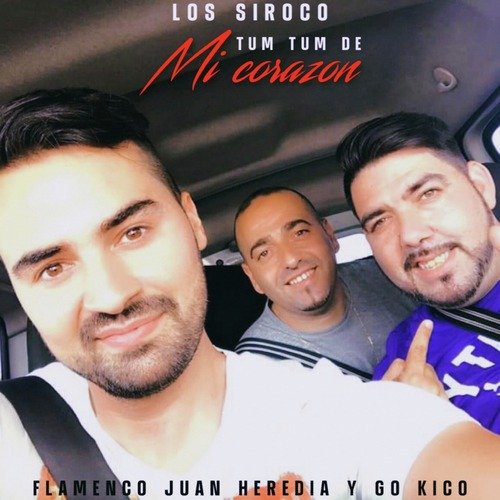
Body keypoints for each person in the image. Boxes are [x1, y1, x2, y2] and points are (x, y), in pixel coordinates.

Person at [0, 90, 498, 500]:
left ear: (192, 222)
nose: (111, 295)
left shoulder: (335, 412)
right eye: (51, 267)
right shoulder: (13, 430)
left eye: (133, 233)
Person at [338, 112, 500, 433]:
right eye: (380, 221)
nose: (410, 235)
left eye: (427, 194)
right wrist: (422, 434)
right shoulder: (403, 360)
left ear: (480, 186)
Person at [233, 187, 416, 379]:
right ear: (252, 276)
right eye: (264, 253)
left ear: (329, 235)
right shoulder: (254, 369)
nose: (291, 259)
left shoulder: (390, 277)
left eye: (300, 233)